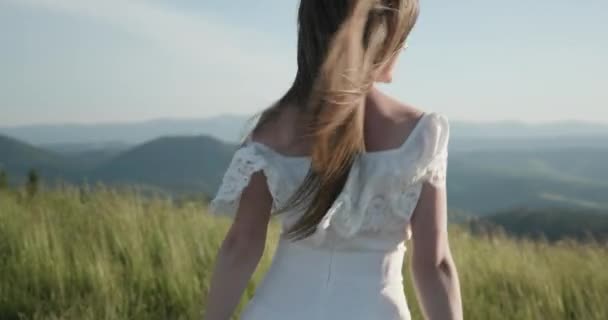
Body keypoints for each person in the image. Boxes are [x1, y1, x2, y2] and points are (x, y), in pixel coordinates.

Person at [204, 0, 463, 319]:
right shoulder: (420, 135)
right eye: (404, 36)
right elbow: (434, 265)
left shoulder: (272, 133)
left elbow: (240, 246)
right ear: (386, 36)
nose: (405, 46)